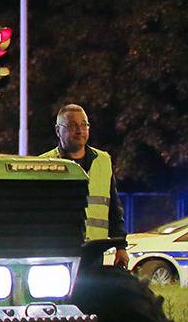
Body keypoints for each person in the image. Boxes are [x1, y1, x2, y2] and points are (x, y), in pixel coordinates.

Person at [41, 103, 127, 268]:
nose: (79, 130)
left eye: (83, 125)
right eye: (73, 126)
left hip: (94, 250)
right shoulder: (44, 163)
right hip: (57, 251)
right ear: (58, 131)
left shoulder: (103, 160)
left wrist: (121, 247)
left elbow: (114, 208)